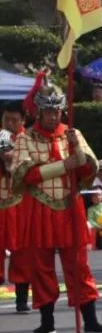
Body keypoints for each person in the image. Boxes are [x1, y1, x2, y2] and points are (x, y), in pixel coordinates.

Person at [10, 83, 102, 333]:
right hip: (38, 208)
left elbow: (89, 170)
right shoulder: (25, 138)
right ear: (39, 112)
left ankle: (90, 318)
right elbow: (24, 174)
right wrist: (64, 165)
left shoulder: (72, 134)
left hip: (69, 207)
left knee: (79, 264)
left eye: (57, 111)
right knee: (40, 265)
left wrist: (78, 150)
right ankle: (47, 320)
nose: (53, 116)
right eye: (48, 112)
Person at [1, 100, 31, 313]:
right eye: (6, 119)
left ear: (23, 120)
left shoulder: (28, 139)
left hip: (19, 202)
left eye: (14, 119)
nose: (9, 123)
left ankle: (21, 299)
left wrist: (10, 157)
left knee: (22, 250)